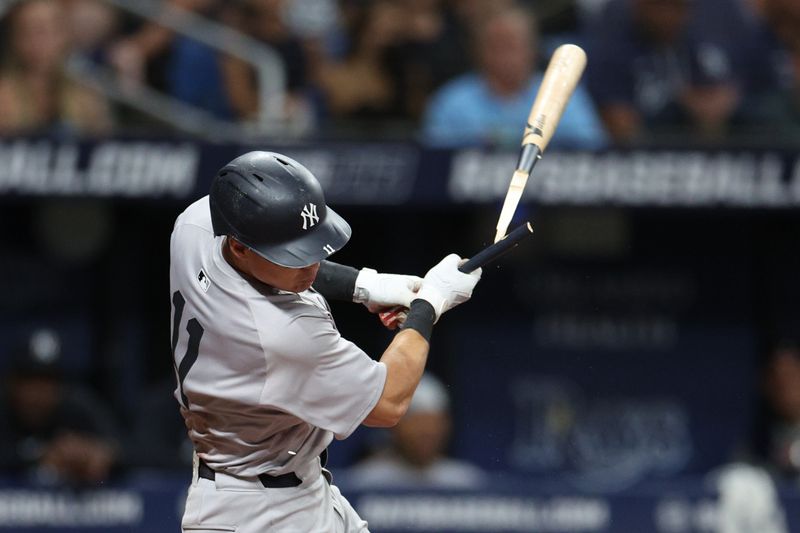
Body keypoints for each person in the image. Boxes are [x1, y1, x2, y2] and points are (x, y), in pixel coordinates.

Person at [170, 150, 482, 532]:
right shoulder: (279, 336)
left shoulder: (197, 225)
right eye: (294, 256)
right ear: (238, 246)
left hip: (292, 489)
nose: (310, 265)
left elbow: (274, 245)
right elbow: (389, 402)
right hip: (255, 515)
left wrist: (366, 284)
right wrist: (430, 303)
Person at [421, 6, 607, 149]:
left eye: (512, 46)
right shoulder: (452, 101)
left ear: (532, 49)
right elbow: (432, 165)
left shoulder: (561, 95)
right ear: (478, 51)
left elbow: (592, 154)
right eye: (496, 46)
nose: (505, 56)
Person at [584, 0, 740, 143]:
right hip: (639, 154)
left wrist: (700, 106)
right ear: (640, 5)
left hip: (689, 147)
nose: (668, 16)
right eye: (661, 6)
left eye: (677, 7)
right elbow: (620, 125)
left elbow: (718, 101)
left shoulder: (693, 42)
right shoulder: (612, 48)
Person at [0, 328, 121, 484]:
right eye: (29, 381)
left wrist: (102, 453)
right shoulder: (3, 408)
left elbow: (134, 449)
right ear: (11, 383)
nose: (38, 393)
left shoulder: (78, 407)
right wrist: (38, 456)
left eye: (47, 382)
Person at [347, 372, 485, 489]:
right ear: (396, 426)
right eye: (418, 422)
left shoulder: (465, 482)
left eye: (434, 423)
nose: (427, 432)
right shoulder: (366, 482)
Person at [0, 0, 113, 135]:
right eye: (28, 31)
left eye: (48, 30)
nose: (39, 42)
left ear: (65, 35)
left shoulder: (86, 94)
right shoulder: (3, 95)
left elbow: (103, 147)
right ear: (15, 39)